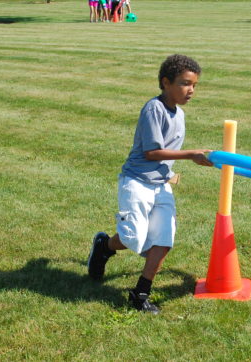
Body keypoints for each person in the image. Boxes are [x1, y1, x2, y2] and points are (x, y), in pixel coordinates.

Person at [87, 54, 213, 314]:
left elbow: (168, 155)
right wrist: (191, 154)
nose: (191, 90)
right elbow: (152, 152)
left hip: (161, 184)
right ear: (166, 83)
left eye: (194, 85)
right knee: (134, 238)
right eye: (185, 83)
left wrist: (191, 161)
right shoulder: (154, 109)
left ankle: (140, 293)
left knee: (164, 239)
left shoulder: (180, 114)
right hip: (137, 181)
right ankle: (104, 247)